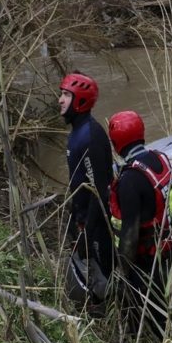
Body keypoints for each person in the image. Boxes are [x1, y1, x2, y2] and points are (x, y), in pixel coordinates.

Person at [107, 110, 172, 330]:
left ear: (116, 142)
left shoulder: (130, 180)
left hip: (145, 259)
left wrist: (122, 271)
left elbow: (129, 235)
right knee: (163, 307)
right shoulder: (159, 158)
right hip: (165, 248)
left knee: (154, 314)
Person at [59, 71, 114, 298]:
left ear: (80, 101)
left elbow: (99, 190)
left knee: (104, 280)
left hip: (97, 227)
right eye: (60, 94)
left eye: (65, 95)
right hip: (83, 219)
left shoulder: (90, 135)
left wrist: (88, 234)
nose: (60, 100)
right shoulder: (77, 132)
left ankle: (110, 316)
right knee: (91, 277)